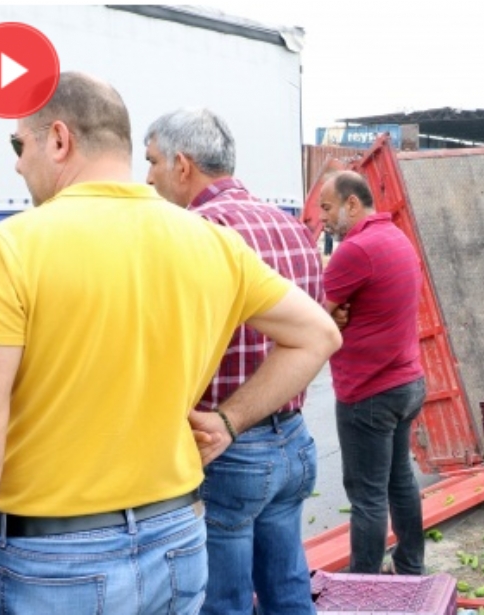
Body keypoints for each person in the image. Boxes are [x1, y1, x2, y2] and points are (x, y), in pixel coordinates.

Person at [0, 72, 341, 614]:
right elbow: (319, 334)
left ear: (60, 140)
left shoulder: (11, 247)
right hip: (177, 543)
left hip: (55, 561)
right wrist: (231, 420)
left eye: (19, 145)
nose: (18, 164)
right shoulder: (211, 241)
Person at [144, 108, 324, 614]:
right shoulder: (290, 227)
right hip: (293, 439)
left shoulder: (198, 233)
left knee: (222, 601)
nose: (148, 176)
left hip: (228, 446)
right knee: (287, 588)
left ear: (182, 165)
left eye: (153, 161)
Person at [319, 171, 427, 575]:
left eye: (327, 208)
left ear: (352, 203)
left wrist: (335, 318)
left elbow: (312, 314)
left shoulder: (356, 250)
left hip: (368, 393)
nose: (323, 220)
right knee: (400, 480)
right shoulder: (396, 238)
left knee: (366, 496)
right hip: (406, 384)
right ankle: (411, 569)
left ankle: (363, 585)